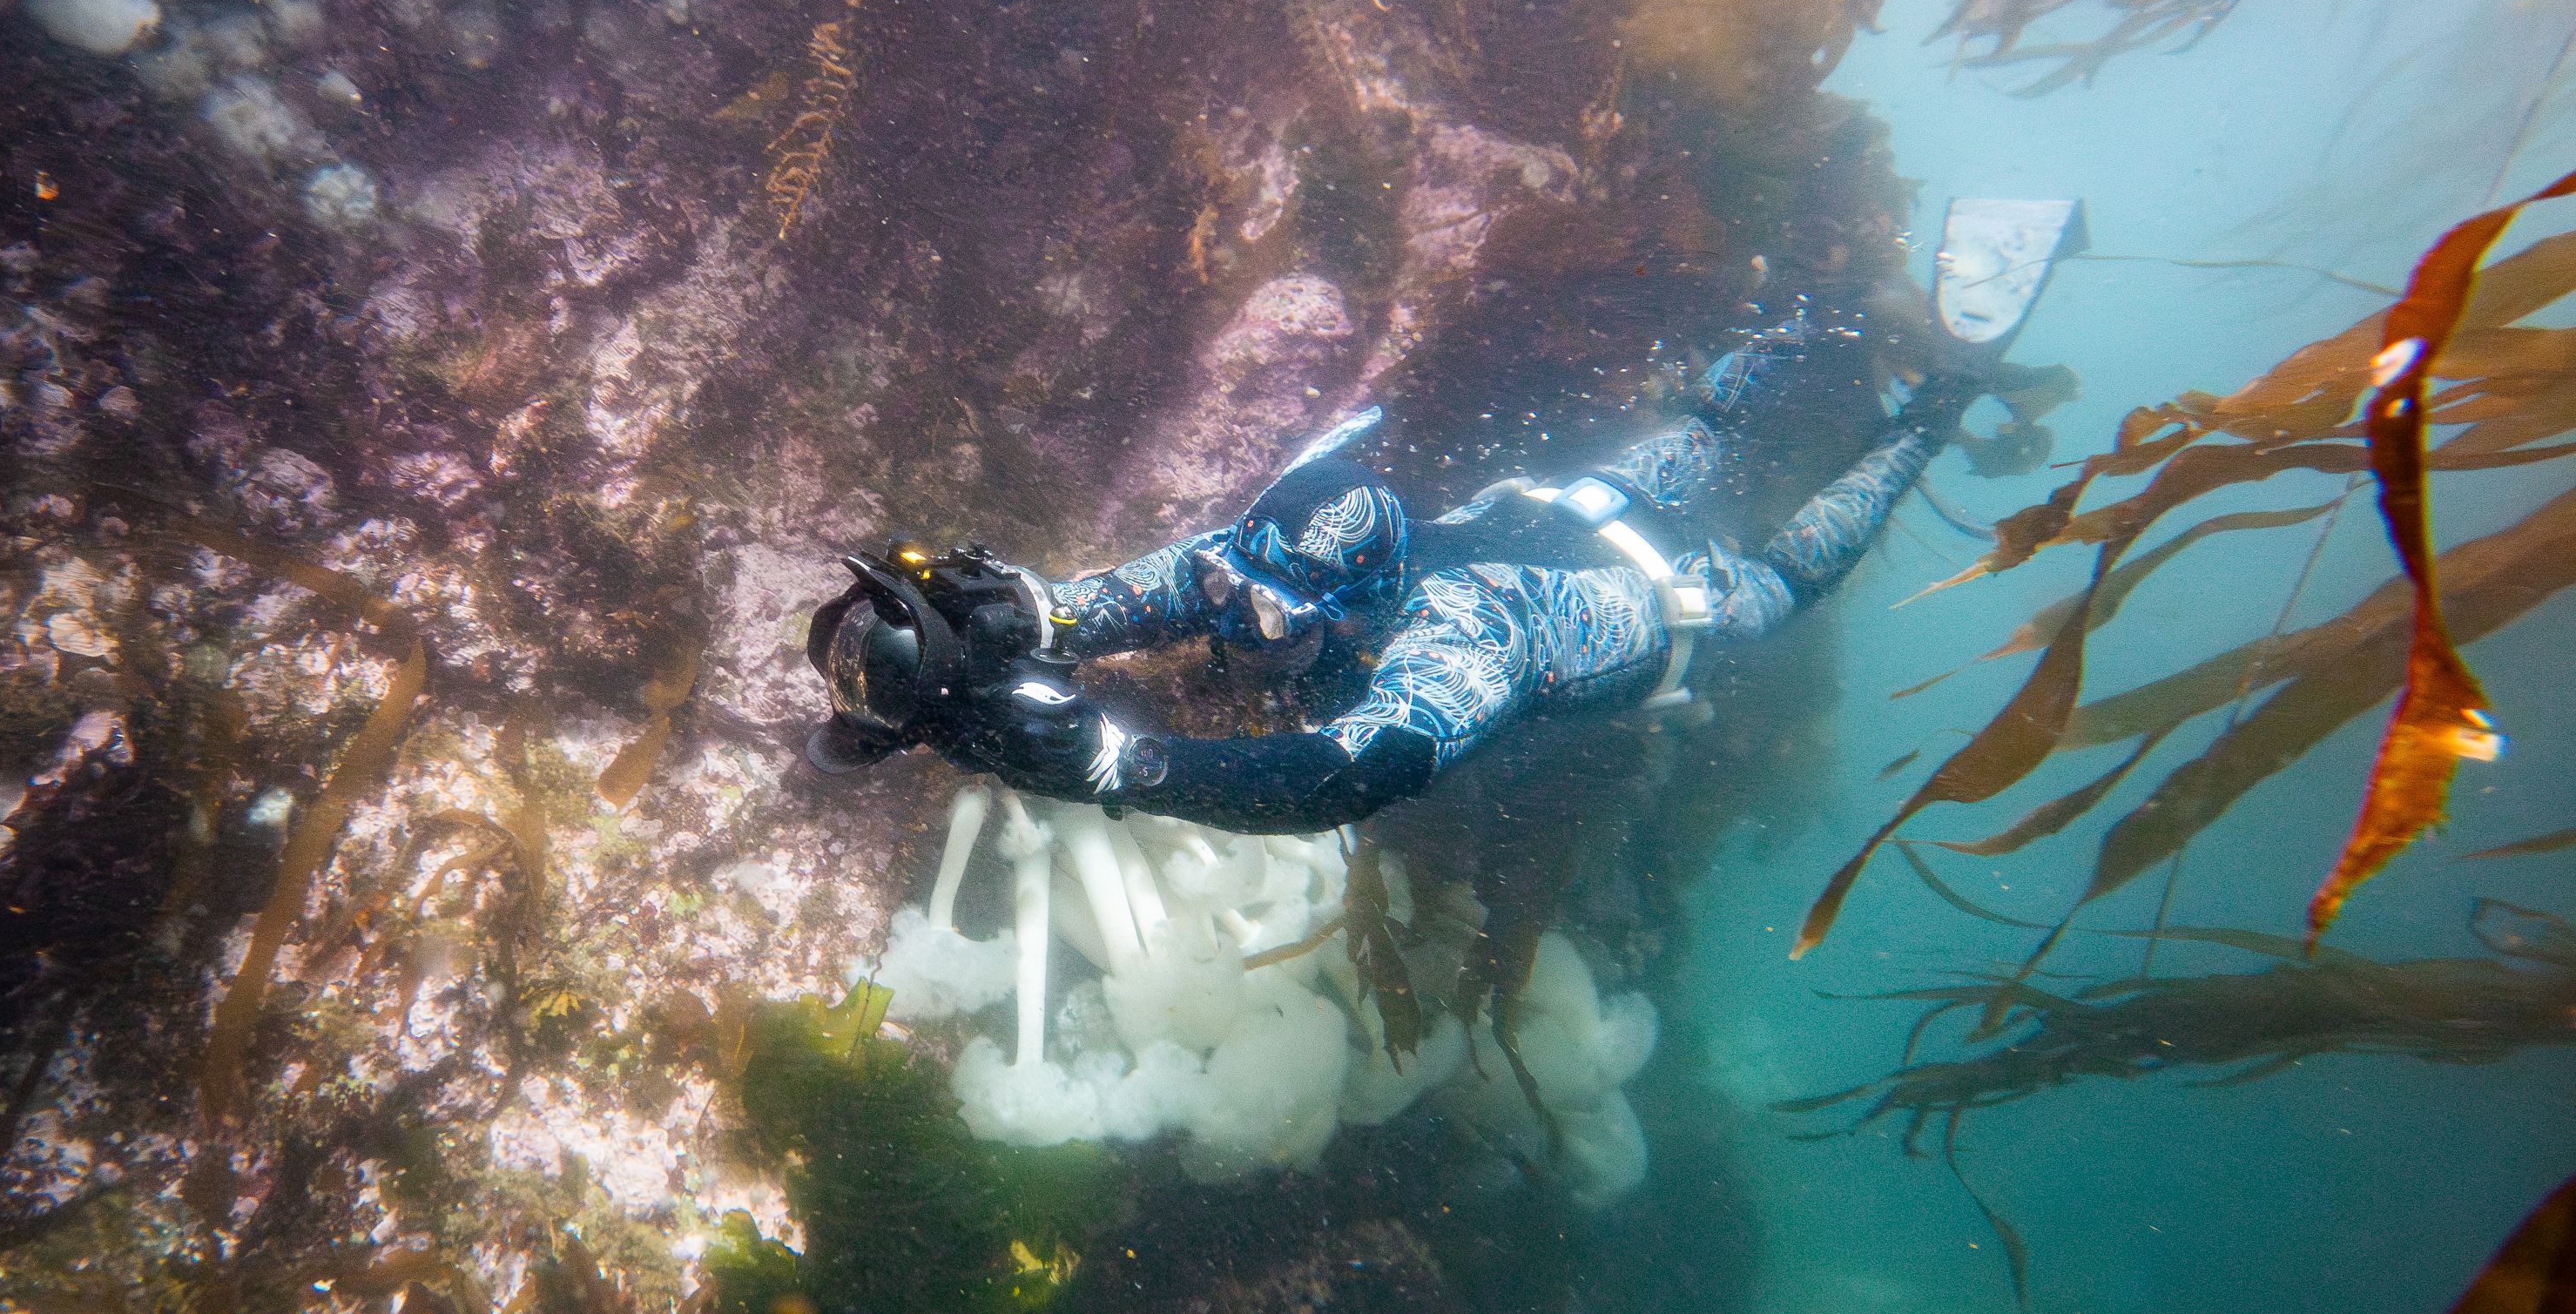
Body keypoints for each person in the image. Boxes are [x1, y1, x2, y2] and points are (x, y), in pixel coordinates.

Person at [806, 199, 2080, 833]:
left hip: (1651, 604)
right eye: (1239, 588)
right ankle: (1815, 316)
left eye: (1270, 612)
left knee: (1780, 584)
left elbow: (1336, 778)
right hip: (1580, 503)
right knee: (1692, 433)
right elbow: (1125, 598)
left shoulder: (1461, 652)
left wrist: (1125, 766)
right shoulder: (1272, 554)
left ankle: (1925, 417)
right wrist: (1015, 612)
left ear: (1359, 604)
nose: (1237, 620)